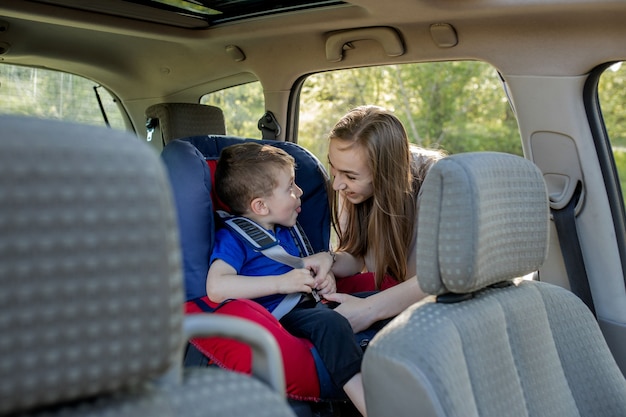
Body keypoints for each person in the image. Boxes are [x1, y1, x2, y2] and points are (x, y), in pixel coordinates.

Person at [206, 142, 368, 416]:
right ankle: (368, 403)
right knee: (330, 323)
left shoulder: (287, 230)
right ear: (260, 205)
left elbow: (304, 269)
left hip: (309, 304)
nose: (300, 192)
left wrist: (322, 276)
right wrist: (282, 283)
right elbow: (217, 287)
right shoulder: (234, 238)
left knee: (373, 302)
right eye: (291, 187)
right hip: (280, 316)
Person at [323, 105, 446, 334]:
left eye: (350, 176)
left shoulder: (436, 185)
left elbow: (437, 280)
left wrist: (368, 309)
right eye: (333, 167)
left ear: (385, 173)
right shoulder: (355, 191)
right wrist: (329, 261)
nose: (337, 184)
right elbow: (357, 255)